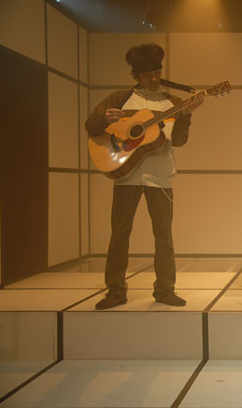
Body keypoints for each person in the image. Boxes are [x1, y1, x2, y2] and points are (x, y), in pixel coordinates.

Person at [85, 43, 203, 310]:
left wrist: (186, 116)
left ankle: (165, 289)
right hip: (125, 175)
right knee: (119, 234)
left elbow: (179, 141)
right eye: (148, 75)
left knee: (164, 235)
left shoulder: (173, 103)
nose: (154, 79)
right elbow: (90, 126)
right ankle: (115, 291)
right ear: (135, 75)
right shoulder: (119, 98)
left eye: (157, 73)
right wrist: (105, 120)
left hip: (160, 176)